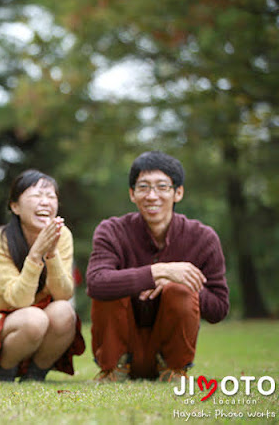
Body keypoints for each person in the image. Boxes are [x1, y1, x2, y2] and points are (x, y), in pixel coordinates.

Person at [86, 151, 229, 383]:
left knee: (180, 289)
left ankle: (173, 370)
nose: (152, 196)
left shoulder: (203, 238)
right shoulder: (111, 230)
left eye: (162, 187)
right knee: (110, 284)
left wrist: (179, 282)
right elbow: (95, 283)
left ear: (178, 192)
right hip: (119, 355)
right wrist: (158, 271)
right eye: (143, 187)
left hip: (170, 358)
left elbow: (219, 309)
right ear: (132, 194)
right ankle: (115, 369)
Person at [0, 169, 85, 382]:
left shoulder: (62, 235)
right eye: (36, 196)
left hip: (38, 326)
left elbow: (64, 294)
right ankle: (3, 373)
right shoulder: (0, 239)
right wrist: (36, 256)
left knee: (65, 311)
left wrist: (52, 253)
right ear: (15, 206)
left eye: (51, 196)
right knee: (33, 319)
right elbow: (19, 300)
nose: (45, 202)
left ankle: (35, 375)